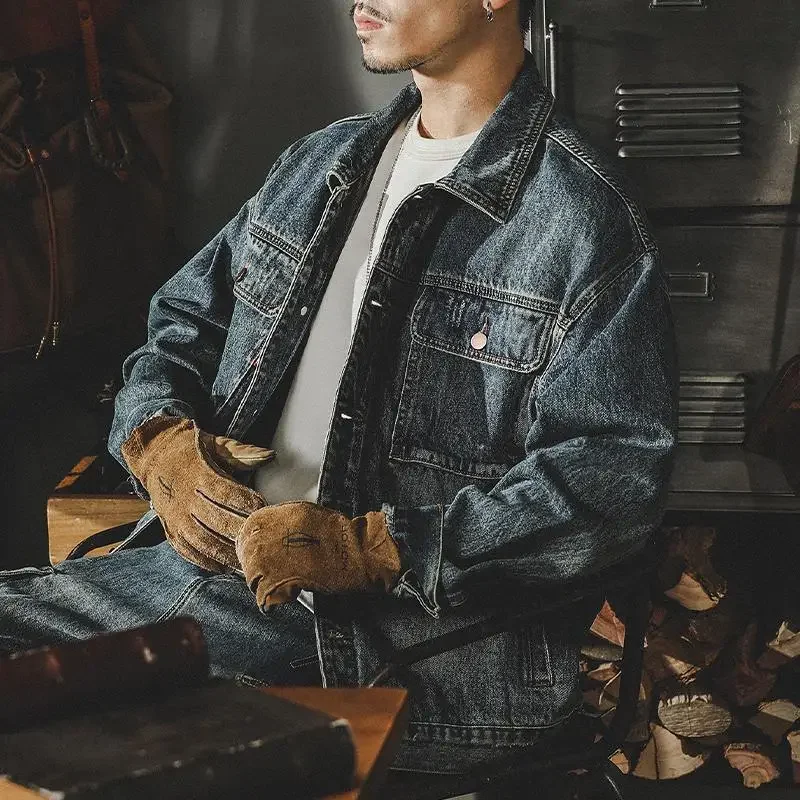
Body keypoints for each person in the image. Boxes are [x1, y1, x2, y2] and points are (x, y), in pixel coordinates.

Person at [0, 0, 679, 774]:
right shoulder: (321, 163)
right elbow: (183, 322)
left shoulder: (582, 218)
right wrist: (160, 445)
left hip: (400, 649)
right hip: (204, 580)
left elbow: (612, 482)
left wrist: (374, 550)